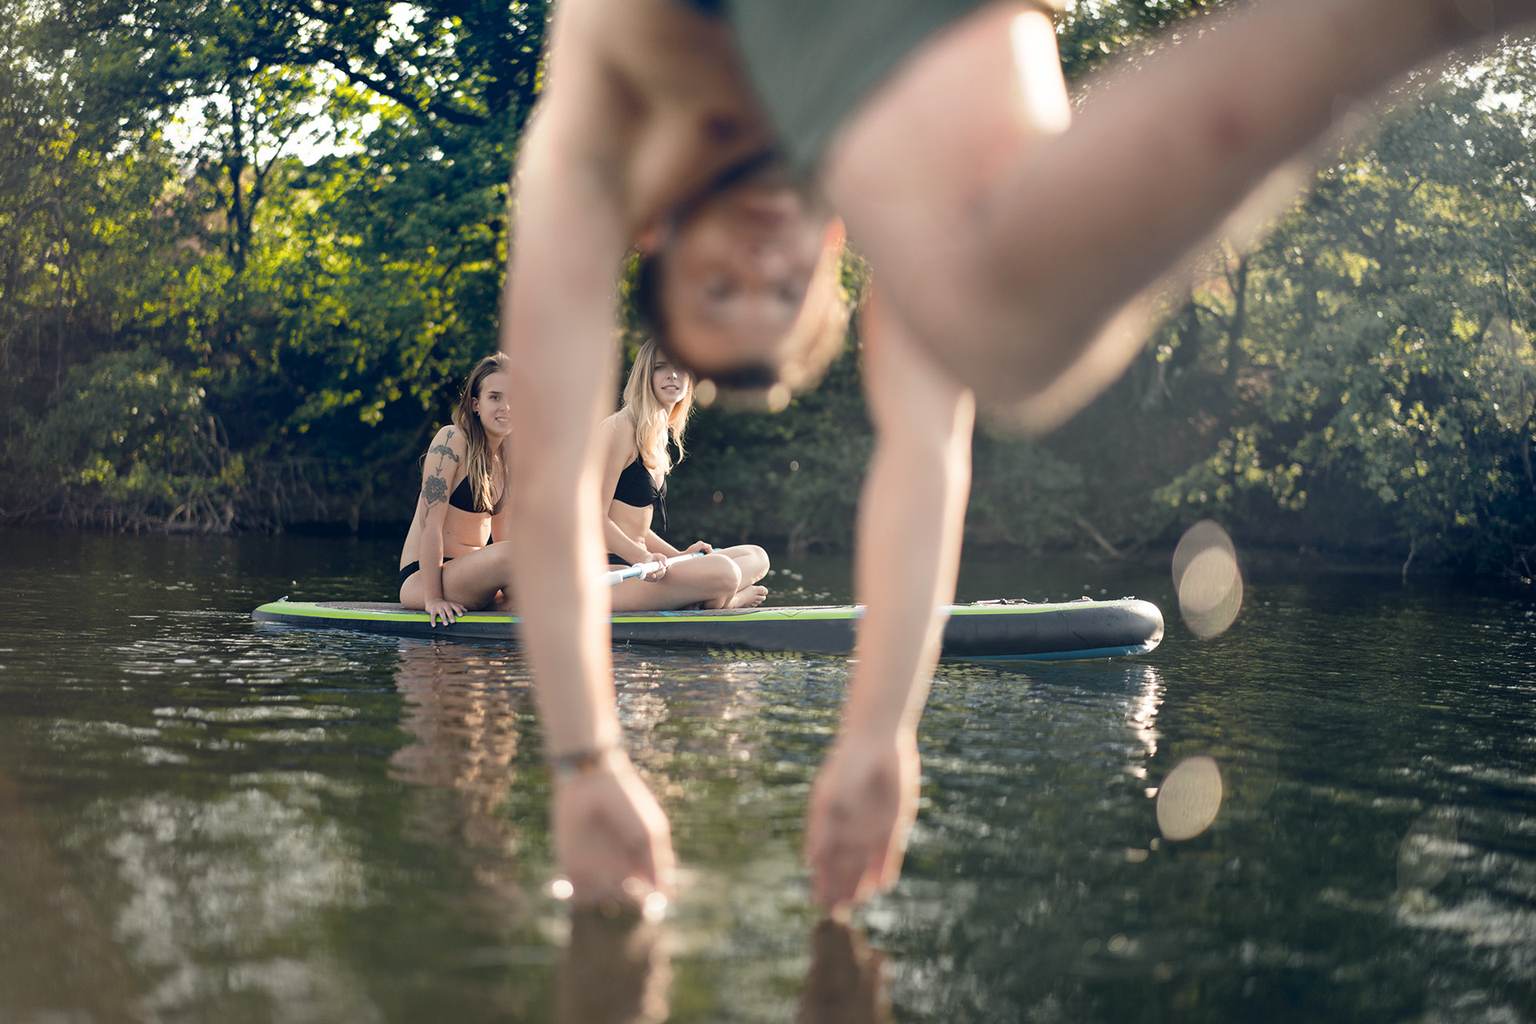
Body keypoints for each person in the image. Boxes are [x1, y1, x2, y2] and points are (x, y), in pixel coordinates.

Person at [498, 0, 1536, 910]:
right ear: (829, 259)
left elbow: (545, 482)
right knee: (1006, 349)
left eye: (718, 290)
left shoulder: (596, 139)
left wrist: (587, 761)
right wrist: (876, 736)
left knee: (995, 335)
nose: (760, 269)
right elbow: (923, 456)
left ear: (655, 241)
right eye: (781, 297)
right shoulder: (886, 185)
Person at [601, 339, 770, 612]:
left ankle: (710, 597)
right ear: (646, 375)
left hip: (647, 565)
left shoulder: (655, 436)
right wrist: (643, 558)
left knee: (756, 556)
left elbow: (637, 530)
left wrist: (678, 556)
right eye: (661, 367)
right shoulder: (620, 428)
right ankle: (726, 600)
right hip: (613, 574)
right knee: (725, 571)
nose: (673, 375)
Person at [397, 354, 519, 626]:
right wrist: (434, 599)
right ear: (476, 404)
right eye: (495, 397)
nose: (506, 407)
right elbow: (430, 526)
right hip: (426, 578)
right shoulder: (452, 440)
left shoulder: (508, 461)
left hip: (473, 580)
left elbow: (502, 538)